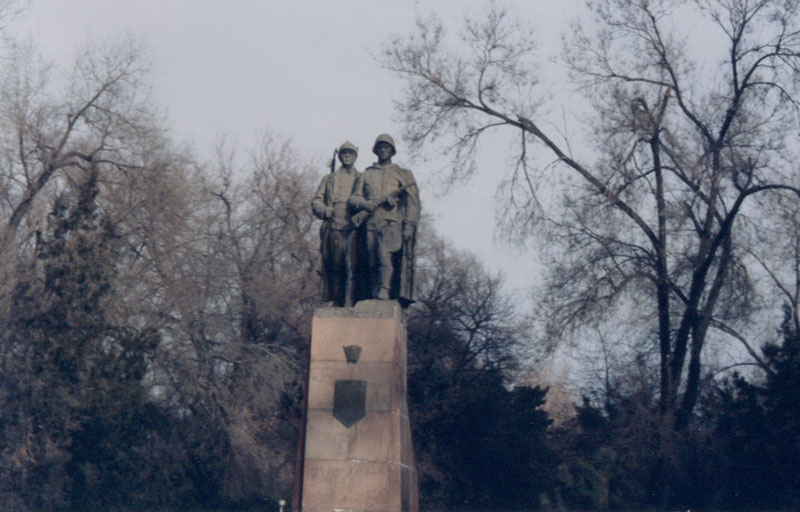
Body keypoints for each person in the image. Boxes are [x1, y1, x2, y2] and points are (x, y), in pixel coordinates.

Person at [349, 133, 420, 305]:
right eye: (380, 147)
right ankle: (375, 293)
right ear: (376, 150)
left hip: (392, 222)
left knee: (384, 255)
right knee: (372, 260)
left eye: (386, 147)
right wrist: (366, 205)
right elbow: (354, 198)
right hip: (371, 222)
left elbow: (413, 202)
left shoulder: (403, 174)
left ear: (392, 151)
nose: (383, 150)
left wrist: (409, 225)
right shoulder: (367, 174)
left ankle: (384, 291)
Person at [311, 141, 360, 306]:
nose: (347, 156)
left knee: (353, 268)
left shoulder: (362, 178)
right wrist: (325, 210)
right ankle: (338, 304)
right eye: (344, 153)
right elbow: (316, 201)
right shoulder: (329, 179)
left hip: (354, 227)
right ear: (340, 156)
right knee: (336, 267)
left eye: (350, 153)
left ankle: (352, 304)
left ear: (355, 156)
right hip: (334, 226)